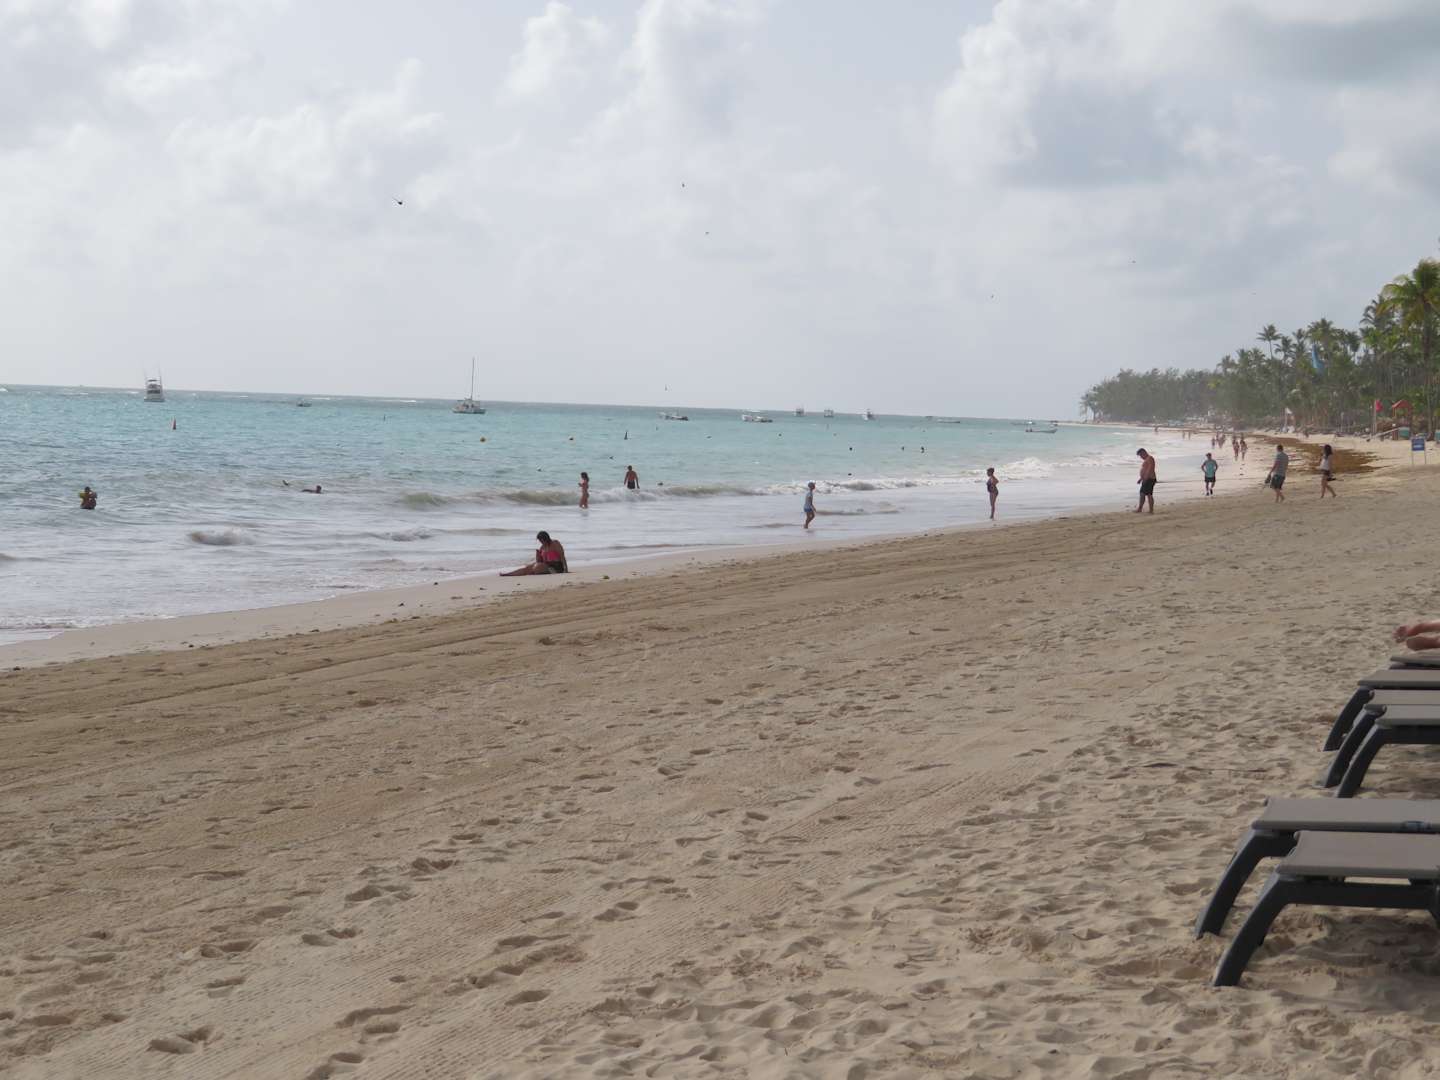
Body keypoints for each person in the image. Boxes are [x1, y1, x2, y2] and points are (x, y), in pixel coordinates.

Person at [501, 531, 567, 576]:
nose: (541, 542)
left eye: (541, 540)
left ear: (546, 538)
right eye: (540, 540)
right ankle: (508, 574)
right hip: (547, 565)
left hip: (556, 567)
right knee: (528, 567)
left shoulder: (555, 543)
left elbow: (562, 556)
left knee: (536, 567)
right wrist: (538, 555)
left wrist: (565, 569)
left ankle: (532, 572)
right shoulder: (542, 548)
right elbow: (539, 561)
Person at [1135, 448, 1156, 514]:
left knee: (1147, 494)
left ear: (1144, 452)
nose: (1141, 457)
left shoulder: (1150, 458)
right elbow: (1145, 470)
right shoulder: (1147, 459)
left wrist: (1146, 478)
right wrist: (1141, 479)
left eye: (1141, 455)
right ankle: (1141, 509)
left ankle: (1149, 510)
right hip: (1147, 479)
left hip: (1149, 479)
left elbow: (1150, 469)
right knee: (1143, 494)